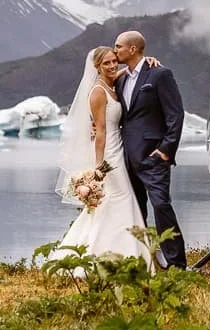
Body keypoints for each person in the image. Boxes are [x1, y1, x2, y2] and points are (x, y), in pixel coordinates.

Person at [52, 46, 151, 266]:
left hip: (119, 148)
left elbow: (126, 71)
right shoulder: (98, 91)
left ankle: (124, 253)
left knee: (118, 199)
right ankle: (107, 255)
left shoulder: (112, 83)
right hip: (109, 153)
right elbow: (101, 131)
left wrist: (147, 60)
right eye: (106, 63)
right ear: (97, 66)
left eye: (114, 61)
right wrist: (99, 166)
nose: (112, 65)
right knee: (119, 198)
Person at [113, 29, 188, 269]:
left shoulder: (160, 74)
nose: (115, 51)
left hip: (154, 156)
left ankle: (176, 264)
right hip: (127, 157)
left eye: (118, 47)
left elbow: (175, 114)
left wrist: (166, 149)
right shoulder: (121, 78)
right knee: (135, 210)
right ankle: (145, 260)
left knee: (161, 206)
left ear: (132, 49)